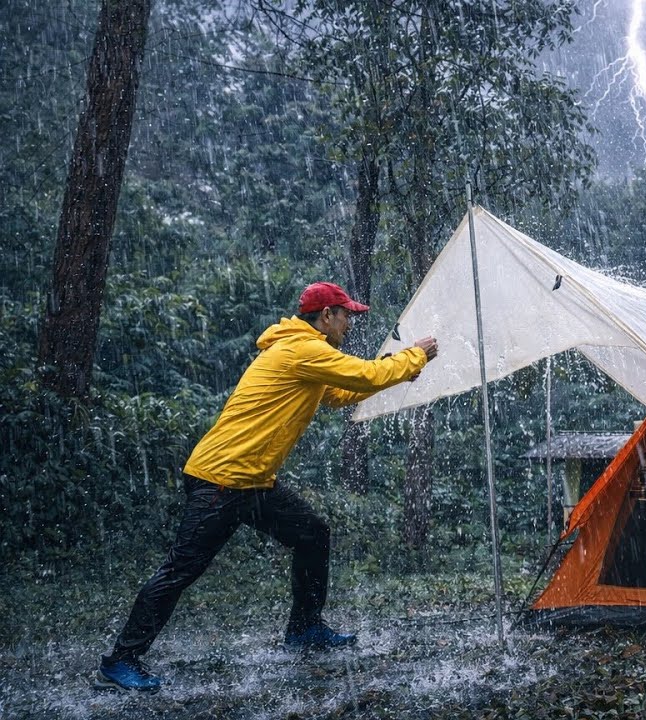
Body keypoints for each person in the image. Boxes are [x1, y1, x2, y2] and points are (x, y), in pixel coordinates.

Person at [95, 282, 438, 692]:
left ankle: (305, 629)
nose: (350, 322)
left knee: (312, 533)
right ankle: (120, 661)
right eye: (346, 314)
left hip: (252, 481)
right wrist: (413, 356)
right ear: (326, 315)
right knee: (181, 570)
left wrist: (400, 373)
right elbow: (364, 375)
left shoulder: (303, 351)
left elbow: (342, 393)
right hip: (221, 478)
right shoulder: (303, 349)